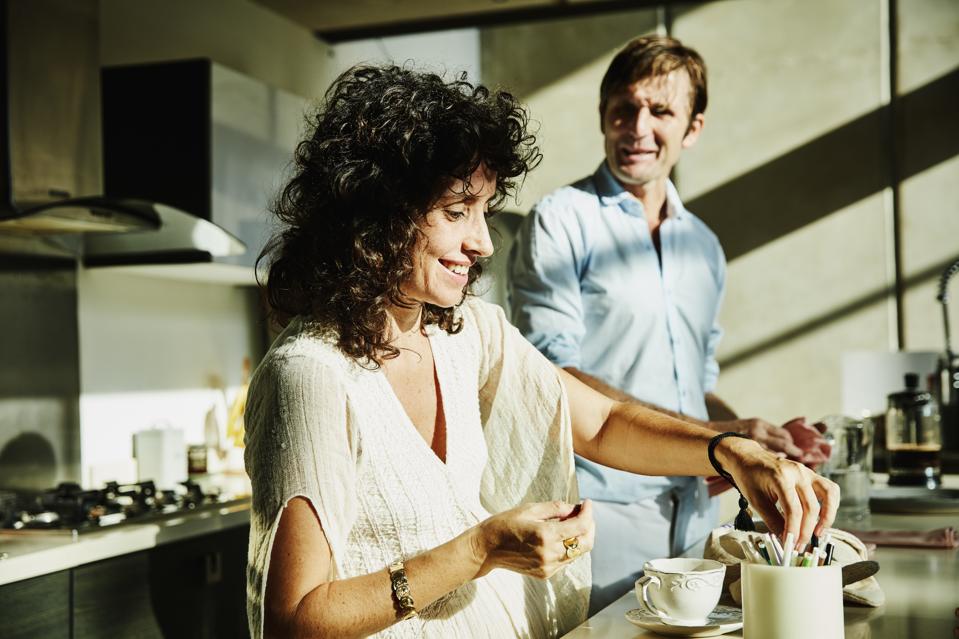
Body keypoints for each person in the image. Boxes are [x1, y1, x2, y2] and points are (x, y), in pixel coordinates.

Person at [245, 64, 838, 639]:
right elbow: (293, 621)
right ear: (378, 216)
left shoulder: (468, 334)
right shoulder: (310, 375)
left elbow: (602, 421)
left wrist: (733, 453)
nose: (482, 242)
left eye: (483, 211)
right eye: (456, 212)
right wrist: (479, 550)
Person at [508, 35, 831, 613]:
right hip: (602, 510)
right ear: (603, 114)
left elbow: (694, 385)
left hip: (697, 514)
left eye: (660, 111)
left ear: (693, 128)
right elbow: (554, 375)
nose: (638, 127)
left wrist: (754, 438)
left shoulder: (703, 246)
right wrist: (723, 441)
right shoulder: (559, 222)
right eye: (624, 108)